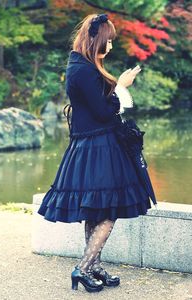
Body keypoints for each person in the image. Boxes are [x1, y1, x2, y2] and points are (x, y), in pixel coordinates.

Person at [37, 13, 157, 293]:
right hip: (96, 147)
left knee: (97, 208)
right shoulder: (83, 70)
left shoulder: (84, 66)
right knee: (107, 211)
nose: (112, 47)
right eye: (109, 42)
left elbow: (98, 107)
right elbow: (104, 112)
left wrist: (116, 88)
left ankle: (94, 267)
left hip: (95, 145)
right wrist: (122, 88)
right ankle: (83, 267)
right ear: (96, 41)